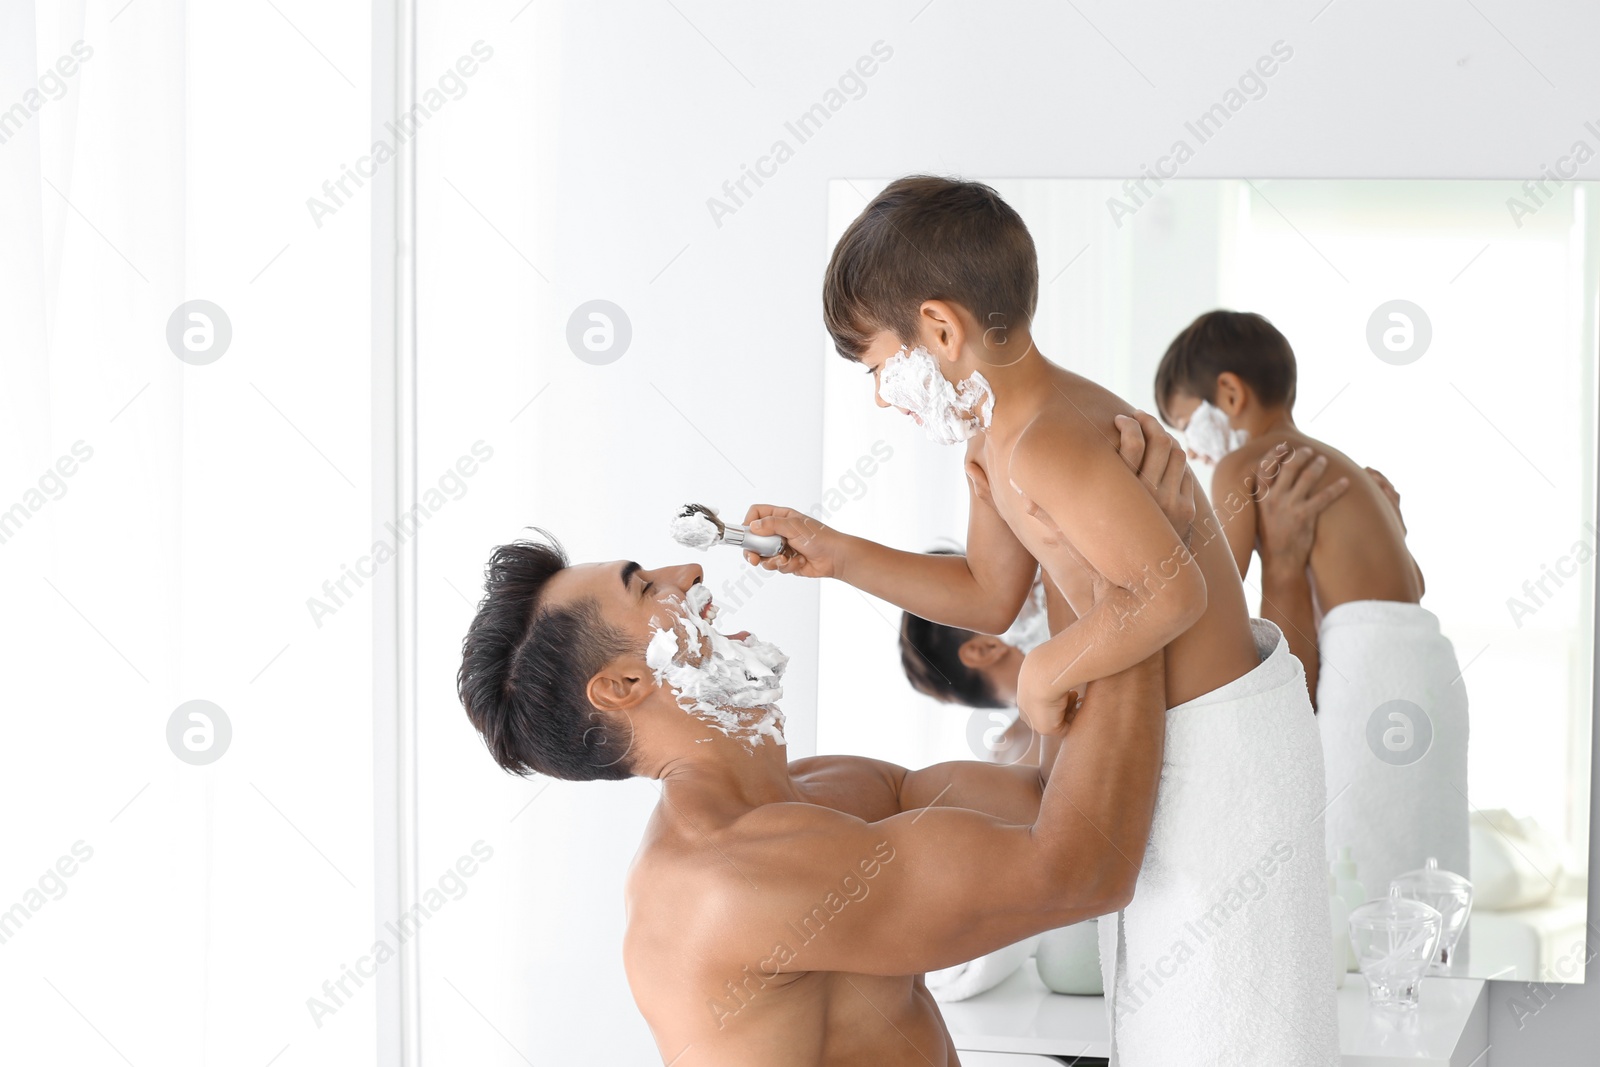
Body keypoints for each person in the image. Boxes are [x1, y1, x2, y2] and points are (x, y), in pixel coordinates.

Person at [743, 176, 1337, 1065]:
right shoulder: (998, 441)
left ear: (941, 332)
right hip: (1176, 749)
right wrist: (837, 553)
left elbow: (1171, 594)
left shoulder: (1045, 437)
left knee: (1230, 1029)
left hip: (1225, 764)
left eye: (879, 369)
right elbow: (989, 589)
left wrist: (1046, 670)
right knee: (1172, 1021)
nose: (884, 398)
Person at [452, 418, 1195, 1066]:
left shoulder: (827, 789)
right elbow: (1082, 869)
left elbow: (1048, 802)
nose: (690, 571)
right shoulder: (723, 882)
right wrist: (1132, 563)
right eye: (646, 587)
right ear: (621, 686)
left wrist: (1070, 545)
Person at [1155, 308, 1470, 924]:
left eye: (1187, 425)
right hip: (1426, 667)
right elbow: (1409, 583)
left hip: (1369, 670)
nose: (1190, 448)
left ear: (1230, 394)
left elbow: (1207, 595)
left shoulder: (1248, 467)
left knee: (1350, 866)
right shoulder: (1341, 464)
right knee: (1414, 844)